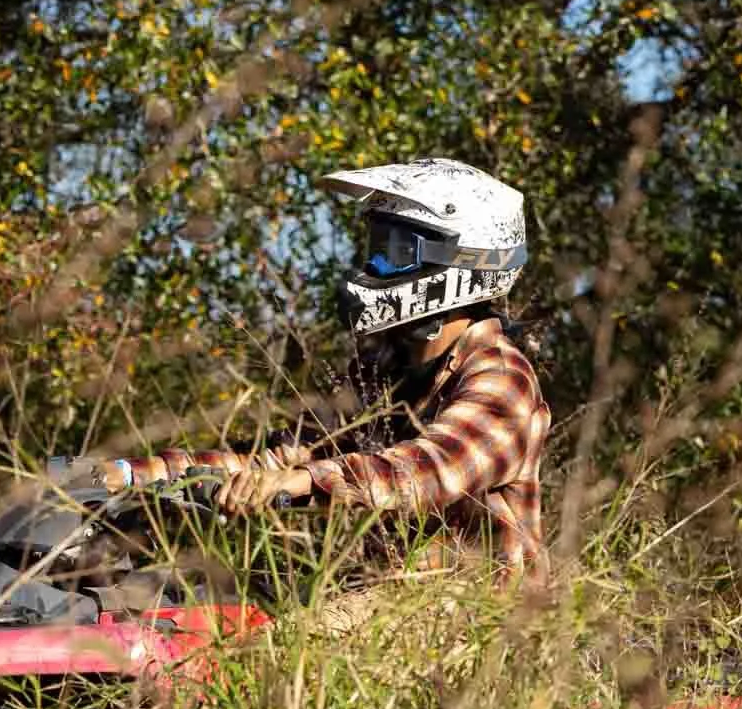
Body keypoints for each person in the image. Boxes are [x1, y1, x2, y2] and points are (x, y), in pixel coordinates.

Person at [96, 158, 551, 609]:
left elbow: (424, 472)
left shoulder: (502, 379)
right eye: (374, 246)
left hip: (473, 621)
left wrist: (299, 482)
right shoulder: (385, 368)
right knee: (183, 610)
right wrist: (127, 475)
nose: (374, 264)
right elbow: (280, 455)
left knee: (260, 657)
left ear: (464, 265)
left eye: (395, 253)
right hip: (382, 597)